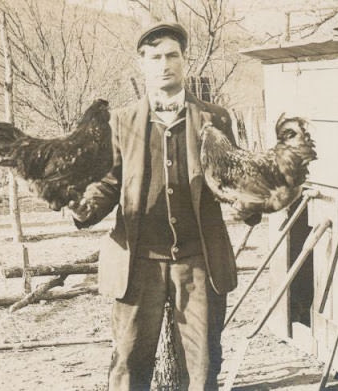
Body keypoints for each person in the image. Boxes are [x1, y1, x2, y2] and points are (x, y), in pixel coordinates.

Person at [70, 22, 252, 391]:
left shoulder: (215, 117)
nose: (164, 64)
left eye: (172, 55)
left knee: (202, 363)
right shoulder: (120, 122)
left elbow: (232, 177)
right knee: (128, 360)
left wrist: (253, 200)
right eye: (155, 57)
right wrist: (81, 205)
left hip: (199, 258)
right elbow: (109, 180)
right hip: (138, 260)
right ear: (142, 65)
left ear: (186, 61)